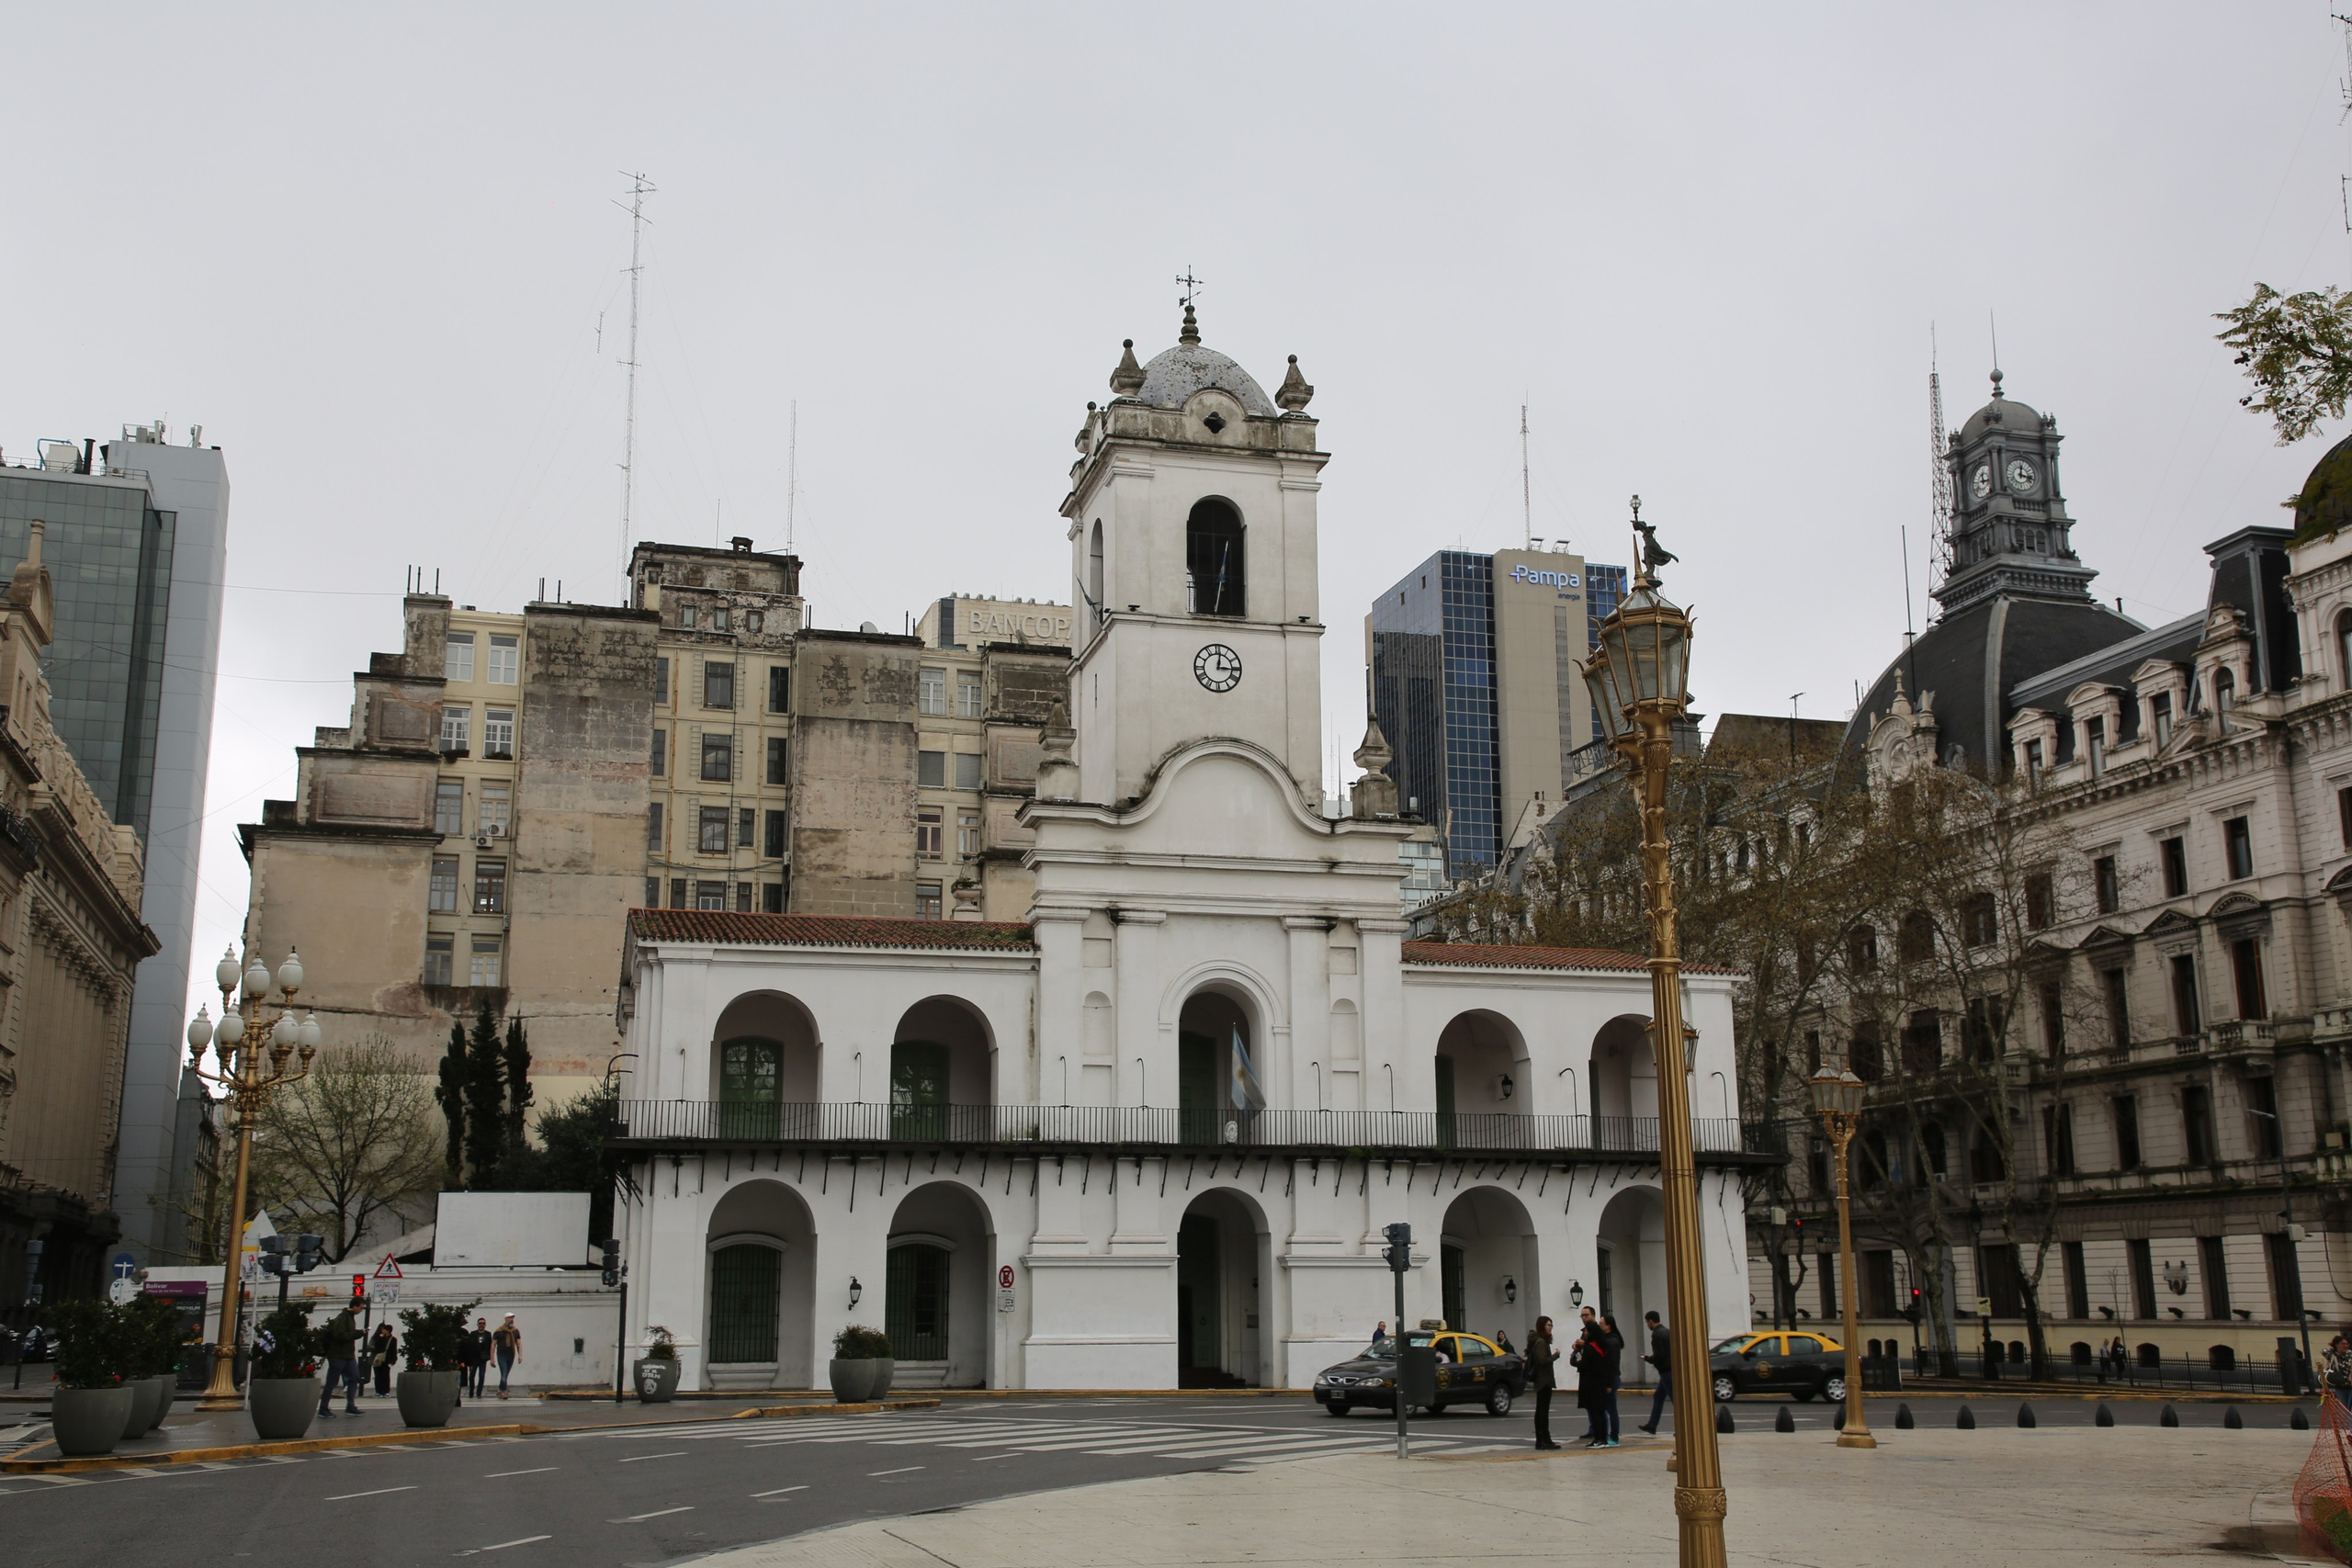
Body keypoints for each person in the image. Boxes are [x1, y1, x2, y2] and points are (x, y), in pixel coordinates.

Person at [318, 1306, 362, 1417]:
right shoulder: (343, 1318)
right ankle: (323, 1409)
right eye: (361, 1307)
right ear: (355, 1306)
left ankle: (350, 1406)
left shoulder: (350, 1318)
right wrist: (358, 1333)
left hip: (348, 1355)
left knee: (354, 1378)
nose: (361, 1310)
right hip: (338, 1355)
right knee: (332, 1382)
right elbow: (340, 1335)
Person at [1527, 1316, 1560, 1450]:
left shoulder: (1540, 1341)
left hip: (1543, 1379)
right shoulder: (1541, 1342)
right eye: (1548, 1325)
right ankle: (1544, 1439)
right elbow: (1543, 1360)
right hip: (1543, 1380)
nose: (1550, 1328)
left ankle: (1542, 1439)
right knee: (1542, 1411)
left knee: (1541, 1410)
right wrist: (1555, 1356)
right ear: (1542, 1326)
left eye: (1551, 1325)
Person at [1591, 1314, 1624, 1447]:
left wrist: (1609, 1383)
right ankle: (1607, 1435)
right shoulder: (1608, 1340)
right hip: (1608, 1378)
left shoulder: (1611, 1342)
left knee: (1611, 1409)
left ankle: (1614, 1436)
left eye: (1602, 1324)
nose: (1600, 1326)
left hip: (1610, 1379)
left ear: (1608, 1326)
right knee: (1608, 1408)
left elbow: (1612, 1364)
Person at [1638, 1310, 1670, 1435]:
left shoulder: (1656, 1335)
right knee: (1658, 1396)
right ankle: (1652, 1425)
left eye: (1647, 1323)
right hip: (1668, 1370)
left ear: (1651, 1321)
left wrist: (1647, 1358)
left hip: (1665, 1371)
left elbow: (1659, 1355)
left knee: (1675, 1399)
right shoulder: (1667, 1331)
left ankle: (1683, 1426)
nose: (1647, 1325)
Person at [492, 1314, 523, 1398]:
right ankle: (505, 1391)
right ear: (506, 1319)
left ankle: (500, 1389)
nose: (511, 1320)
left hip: (511, 1355)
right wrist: (492, 1359)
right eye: (509, 1318)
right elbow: (493, 1345)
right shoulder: (499, 1331)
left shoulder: (515, 1331)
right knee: (504, 1373)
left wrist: (520, 1355)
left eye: (512, 1318)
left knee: (505, 1374)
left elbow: (519, 1344)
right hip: (501, 1355)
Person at [368, 1321, 401, 1397]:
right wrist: (380, 1338)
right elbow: (377, 1347)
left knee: (385, 1376)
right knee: (378, 1376)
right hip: (378, 1359)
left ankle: (385, 1391)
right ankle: (378, 1391)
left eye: (384, 1330)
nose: (382, 1331)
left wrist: (393, 1361)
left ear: (388, 1331)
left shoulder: (393, 1339)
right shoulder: (379, 1338)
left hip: (386, 1360)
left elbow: (394, 1350)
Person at [2324, 1335, 2352, 1416]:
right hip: (2340, 1386)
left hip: (2350, 1386)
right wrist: (2336, 1351)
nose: (2346, 1346)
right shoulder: (2332, 1355)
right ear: (2336, 1344)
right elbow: (2324, 1351)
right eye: (2343, 1344)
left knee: (2351, 1409)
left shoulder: (2350, 1355)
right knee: (2345, 1409)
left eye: (2347, 1344)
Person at [466, 1317, 493, 1399]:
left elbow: (490, 1346)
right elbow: (470, 1347)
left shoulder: (488, 1334)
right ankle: (471, 1391)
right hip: (474, 1358)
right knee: (471, 1376)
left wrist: (490, 1357)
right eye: (480, 1323)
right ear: (477, 1324)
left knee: (481, 1375)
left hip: (483, 1358)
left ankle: (479, 1392)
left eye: (483, 1323)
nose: (481, 1325)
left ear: (485, 1324)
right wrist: (469, 1361)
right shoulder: (473, 1334)